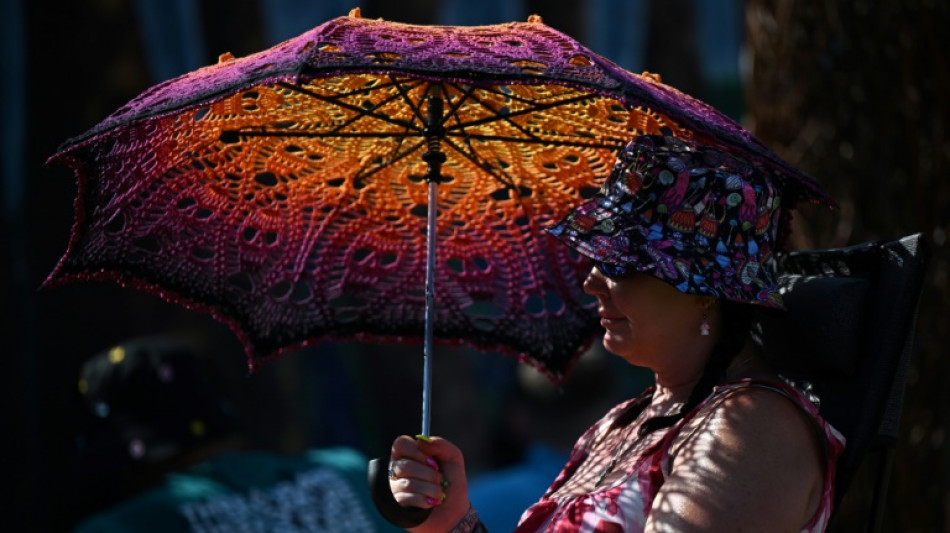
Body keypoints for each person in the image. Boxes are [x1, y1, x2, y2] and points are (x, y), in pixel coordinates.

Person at [384, 133, 846, 532]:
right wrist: (453, 522)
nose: (593, 281)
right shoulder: (620, 423)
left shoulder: (750, 430)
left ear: (706, 289)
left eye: (621, 265)